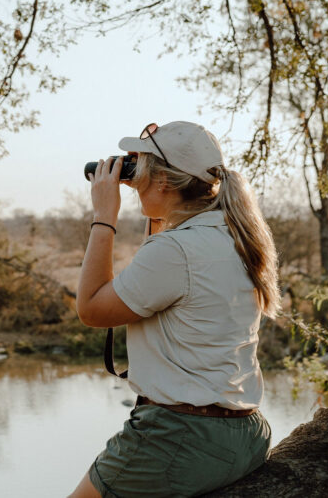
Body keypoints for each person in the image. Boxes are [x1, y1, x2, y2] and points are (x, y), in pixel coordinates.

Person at [68, 121, 280, 498]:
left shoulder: (176, 250)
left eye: (140, 166)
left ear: (164, 182)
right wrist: (151, 196)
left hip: (180, 436)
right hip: (244, 433)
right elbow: (165, 263)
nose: (132, 173)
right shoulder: (232, 235)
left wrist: (104, 216)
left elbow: (92, 310)